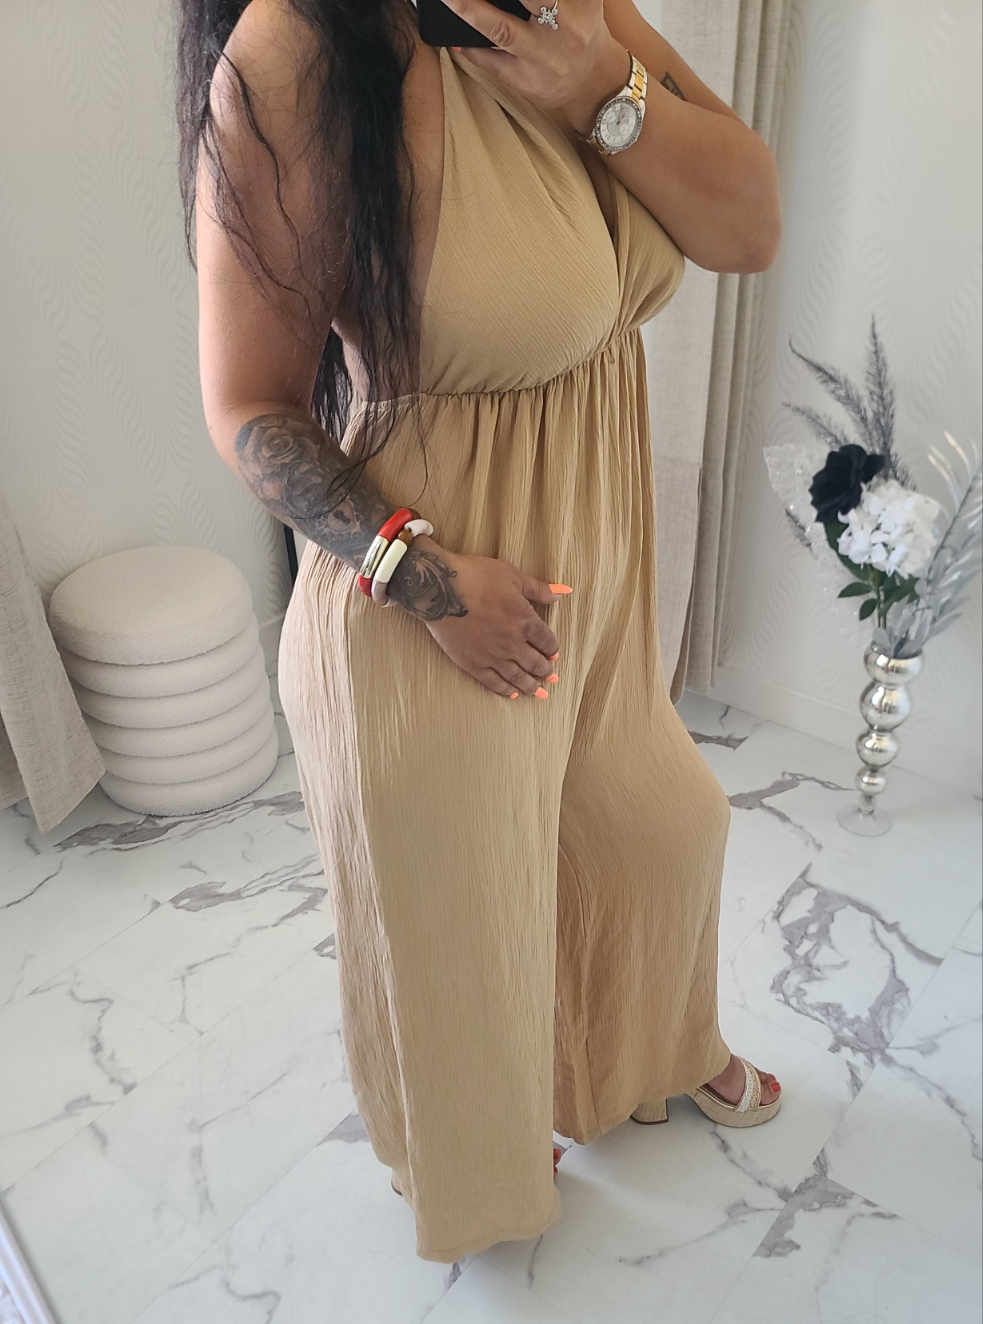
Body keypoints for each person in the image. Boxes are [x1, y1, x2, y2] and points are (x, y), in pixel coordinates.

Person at [178, 0, 784, 1263]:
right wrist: (425, 577)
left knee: (663, 828)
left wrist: (594, 84)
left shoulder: (567, 15)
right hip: (429, 609)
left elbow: (744, 226)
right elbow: (245, 408)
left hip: (591, 576)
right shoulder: (290, 55)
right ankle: (483, 1165)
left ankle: (645, 1053)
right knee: (467, 937)